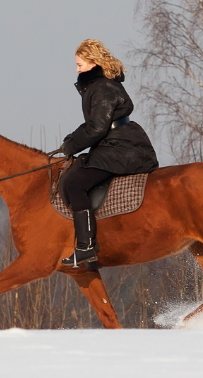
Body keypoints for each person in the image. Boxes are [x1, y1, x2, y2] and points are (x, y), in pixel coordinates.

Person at [58, 39, 159, 267]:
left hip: (122, 148)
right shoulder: (100, 86)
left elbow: (97, 128)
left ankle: (85, 247)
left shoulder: (102, 87)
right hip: (116, 144)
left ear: (93, 63)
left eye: (80, 65)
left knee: (75, 184)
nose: (77, 70)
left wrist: (71, 145)